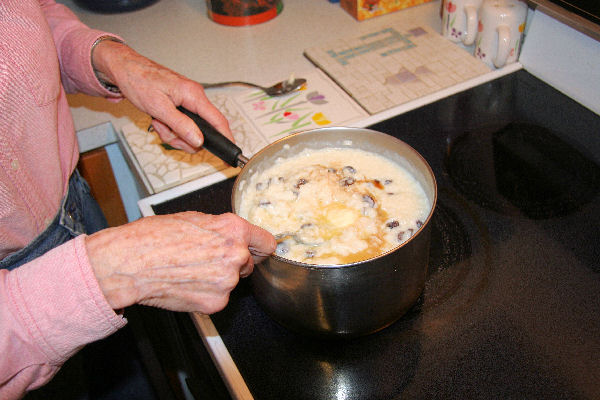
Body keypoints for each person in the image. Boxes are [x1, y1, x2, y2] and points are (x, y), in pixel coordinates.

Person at [0, 1, 276, 399]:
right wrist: (108, 273)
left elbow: (26, 14)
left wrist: (107, 58)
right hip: (28, 308)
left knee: (124, 376)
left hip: (72, 205)